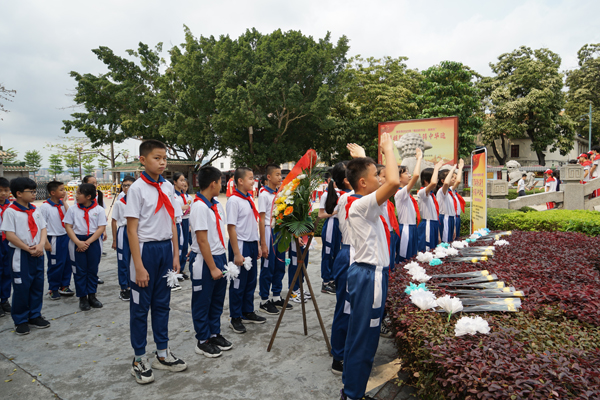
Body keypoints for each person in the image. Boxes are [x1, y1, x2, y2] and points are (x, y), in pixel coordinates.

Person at [340, 132, 399, 400]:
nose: (381, 179)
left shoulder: (366, 203)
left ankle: (353, 391)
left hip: (370, 274)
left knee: (363, 336)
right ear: (363, 183)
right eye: (376, 176)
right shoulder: (362, 205)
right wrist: (388, 148)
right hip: (368, 276)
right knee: (363, 339)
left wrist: (364, 157)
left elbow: (389, 181)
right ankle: (352, 394)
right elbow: (395, 181)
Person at [125, 139, 187, 384]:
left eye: (164, 158)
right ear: (143, 160)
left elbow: (171, 220)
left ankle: (162, 352)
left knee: (163, 304)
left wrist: (175, 254)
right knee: (140, 309)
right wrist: (139, 266)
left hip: (164, 250)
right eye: (156, 158)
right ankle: (139, 358)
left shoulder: (168, 188)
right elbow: (131, 230)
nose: (162, 162)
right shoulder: (137, 189)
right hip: (144, 251)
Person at [189, 166, 233, 358]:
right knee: (202, 301)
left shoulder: (215, 204)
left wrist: (221, 261)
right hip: (205, 260)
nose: (222, 186)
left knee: (217, 299)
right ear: (213, 183)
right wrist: (213, 267)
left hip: (219, 256)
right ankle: (202, 339)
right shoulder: (199, 206)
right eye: (221, 182)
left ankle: (214, 333)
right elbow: (202, 240)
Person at [328, 143, 362, 375]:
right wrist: (362, 159)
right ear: (350, 180)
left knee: (354, 307)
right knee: (346, 308)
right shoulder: (351, 200)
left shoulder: (353, 197)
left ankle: (345, 349)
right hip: (351, 256)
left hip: (356, 255)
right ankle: (338, 356)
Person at [1, 177, 49, 335]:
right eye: (31, 191)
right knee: (22, 287)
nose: (34, 194)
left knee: (37, 284)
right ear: (19, 193)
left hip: (38, 252)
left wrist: (41, 244)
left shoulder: (35, 209)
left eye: (35, 191)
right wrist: (28, 249)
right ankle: (20, 319)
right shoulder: (11, 211)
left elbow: (43, 228)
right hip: (21, 254)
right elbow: (9, 235)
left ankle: (35, 314)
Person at [227, 167, 266, 334]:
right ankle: (235, 317)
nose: (253, 181)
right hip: (240, 245)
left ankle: (247, 311)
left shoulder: (248, 198)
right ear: (240, 181)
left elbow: (252, 224)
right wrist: (236, 253)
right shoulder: (233, 201)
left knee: (250, 281)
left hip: (251, 243)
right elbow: (231, 228)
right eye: (250, 178)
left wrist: (257, 244)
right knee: (238, 282)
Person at [63, 183, 107, 311]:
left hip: (93, 241)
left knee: (92, 270)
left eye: (78, 193)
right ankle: (82, 297)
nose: (76, 196)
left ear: (88, 196)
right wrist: (78, 242)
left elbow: (101, 228)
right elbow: (68, 227)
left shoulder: (98, 210)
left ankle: (92, 296)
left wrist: (87, 242)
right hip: (76, 241)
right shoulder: (72, 209)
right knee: (79, 271)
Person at [258, 164, 290, 315]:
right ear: (268, 177)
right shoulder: (264, 194)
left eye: (281, 175)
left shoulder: (279, 193)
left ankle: (276, 296)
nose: (280, 177)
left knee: (280, 265)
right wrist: (263, 242)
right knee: (268, 267)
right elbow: (261, 218)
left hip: (279, 231)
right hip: (268, 231)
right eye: (277, 175)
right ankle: (264, 300)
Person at [39, 181, 74, 300]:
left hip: (66, 236)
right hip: (53, 238)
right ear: (52, 192)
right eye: (61, 190)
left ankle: (64, 285)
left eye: (64, 189)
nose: (64, 192)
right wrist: (46, 242)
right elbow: (41, 225)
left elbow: (70, 216)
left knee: (67, 262)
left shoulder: (63, 204)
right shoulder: (45, 207)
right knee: (55, 264)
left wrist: (64, 202)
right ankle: (53, 288)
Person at [319, 162, 350, 295]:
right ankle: (326, 282)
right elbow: (320, 215)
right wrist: (335, 213)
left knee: (337, 253)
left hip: (339, 226)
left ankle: (333, 278)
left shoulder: (344, 194)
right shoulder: (327, 194)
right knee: (328, 253)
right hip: (331, 225)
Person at [395, 149, 423, 262]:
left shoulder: (406, 193)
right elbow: (416, 175)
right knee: (404, 260)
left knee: (411, 258)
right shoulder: (400, 193)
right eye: (406, 173)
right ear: (399, 178)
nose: (410, 175)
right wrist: (419, 158)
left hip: (411, 228)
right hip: (406, 229)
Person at [111, 176, 135, 301]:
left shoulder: (138, 202)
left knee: (135, 259)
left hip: (136, 231)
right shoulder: (120, 203)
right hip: (123, 232)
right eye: (124, 185)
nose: (126, 188)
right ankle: (124, 287)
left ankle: (133, 284)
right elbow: (114, 222)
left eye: (129, 185)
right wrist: (114, 240)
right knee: (123, 260)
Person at [82, 175, 107, 280]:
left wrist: (104, 230)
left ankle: (94, 275)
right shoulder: (81, 198)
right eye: (92, 183)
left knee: (96, 255)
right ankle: (85, 277)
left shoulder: (99, 195)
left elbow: (103, 214)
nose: (94, 185)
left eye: (95, 183)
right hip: (84, 232)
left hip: (98, 231)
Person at [417, 160, 445, 252]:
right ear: (426, 181)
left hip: (434, 224)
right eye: (435, 178)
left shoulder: (432, 195)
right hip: (427, 225)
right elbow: (433, 183)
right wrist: (436, 168)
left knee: (433, 250)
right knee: (426, 251)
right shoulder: (422, 193)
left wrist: (438, 235)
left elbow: (435, 215)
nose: (436, 181)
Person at [173, 172, 191, 280]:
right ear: (175, 182)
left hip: (186, 221)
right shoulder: (173, 195)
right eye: (181, 180)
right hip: (178, 221)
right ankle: (176, 270)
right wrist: (182, 207)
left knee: (184, 245)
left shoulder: (183, 195)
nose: (183, 182)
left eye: (184, 180)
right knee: (178, 246)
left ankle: (182, 268)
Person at [0, 177, 13, 317]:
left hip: (8, 240)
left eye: (6, 190)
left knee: (7, 271)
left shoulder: (11, 207)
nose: (3, 194)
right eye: (0, 191)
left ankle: (4, 300)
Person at [436, 165, 458, 243]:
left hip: (451, 219)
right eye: (450, 176)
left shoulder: (449, 192)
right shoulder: (441, 191)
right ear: (442, 180)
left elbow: (452, 210)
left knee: (450, 241)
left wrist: (454, 227)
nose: (453, 179)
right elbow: (446, 183)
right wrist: (452, 169)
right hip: (445, 219)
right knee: (445, 243)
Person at [449, 160, 465, 239]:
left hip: (457, 217)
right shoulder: (449, 190)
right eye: (452, 178)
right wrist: (460, 167)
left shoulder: (454, 192)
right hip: (453, 217)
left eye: (455, 178)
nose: (455, 180)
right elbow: (458, 181)